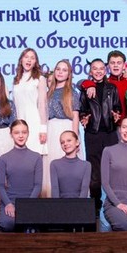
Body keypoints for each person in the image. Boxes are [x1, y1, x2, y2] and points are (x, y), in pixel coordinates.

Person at [78, 58, 121, 202]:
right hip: (93, 133)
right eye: (95, 68)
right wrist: (84, 117)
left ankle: (114, 202)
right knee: (94, 171)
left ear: (105, 70)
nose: (98, 71)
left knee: (113, 168)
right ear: (90, 71)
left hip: (110, 132)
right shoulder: (85, 88)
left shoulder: (112, 88)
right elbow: (82, 109)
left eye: (101, 68)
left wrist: (116, 114)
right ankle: (95, 204)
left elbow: (117, 106)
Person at [0, 120, 43, 232]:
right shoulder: (4, 158)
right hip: (10, 201)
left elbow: (38, 185)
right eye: (17, 132)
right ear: (11, 134)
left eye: (24, 132)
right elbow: (0, 186)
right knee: (8, 224)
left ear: (28, 133)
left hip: (30, 201)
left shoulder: (36, 157)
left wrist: (27, 205)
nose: (21, 136)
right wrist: (8, 204)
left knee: (32, 224)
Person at [42, 59, 81, 195]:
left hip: (66, 128)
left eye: (64, 70)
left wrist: (75, 139)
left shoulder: (72, 92)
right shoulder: (48, 92)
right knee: (51, 165)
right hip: (51, 130)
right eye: (58, 69)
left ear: (69, 74)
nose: (60, 72)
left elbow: (75, 117)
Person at [11, 48, 49, 155]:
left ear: (35, 62)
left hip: (34, 122)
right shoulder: (16, 80)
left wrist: (43, 128)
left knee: (34, 155)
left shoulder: (40, 79)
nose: (29, 60)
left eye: (32, 58)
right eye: (26, 57)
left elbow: (42, 105)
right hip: (19, 122)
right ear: (21, 60)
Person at [50, 130, 91, 199]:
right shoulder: (54, 164)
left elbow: (84, 190)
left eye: (69, 140)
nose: (65, 144)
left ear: (77, 142)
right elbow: (55, 190)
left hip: (80, 204)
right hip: (60, 204)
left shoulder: (86, 165)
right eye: (62, 142)